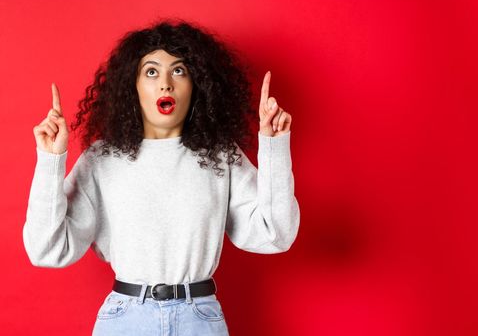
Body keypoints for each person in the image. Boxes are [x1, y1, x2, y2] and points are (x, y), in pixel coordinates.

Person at [23, 19, 300, 335]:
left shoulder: (221, 155)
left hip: (200, 318)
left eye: (179, 71)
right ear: (134, 85)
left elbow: (275, 233)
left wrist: (274, 145)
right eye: (151, 72)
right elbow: (46, 250)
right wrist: (50, 161)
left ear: (196, 85)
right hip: (126, 319)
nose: (165, 83)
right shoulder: (102, 159)